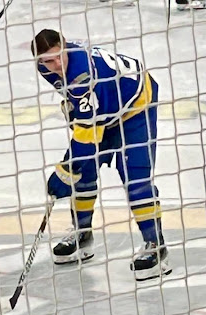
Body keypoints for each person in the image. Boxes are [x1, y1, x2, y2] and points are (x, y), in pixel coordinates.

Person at [31, 29, 170, 281]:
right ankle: (82, 234)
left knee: (134, 177)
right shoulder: (46, 69)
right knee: (82, 172)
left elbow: (86, 129)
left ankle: (155, 246)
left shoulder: (82, 73)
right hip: (102, 108)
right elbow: (80, 105)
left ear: (66, 47)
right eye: (48, 61)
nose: (55, 65)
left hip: (135, 106)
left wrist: (63, 172)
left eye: (59, 57)